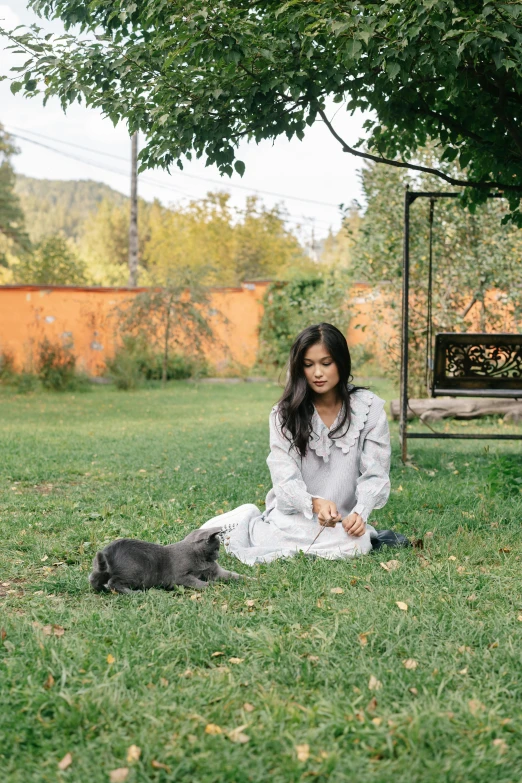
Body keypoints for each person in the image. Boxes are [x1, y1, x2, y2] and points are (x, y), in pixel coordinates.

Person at [200, 323, 391, 565]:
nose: (317, 373)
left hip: (343, 519)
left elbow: (376, 473)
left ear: (342, 362)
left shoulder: (369, 409)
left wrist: (360, 512)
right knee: (296, 537)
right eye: (308, 365)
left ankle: (269, 531)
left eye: (326, 363)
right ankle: (250, 523)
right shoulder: (284, 414)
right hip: (296, 516)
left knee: (359, 543)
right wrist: (315, 504)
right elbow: (284, 478)